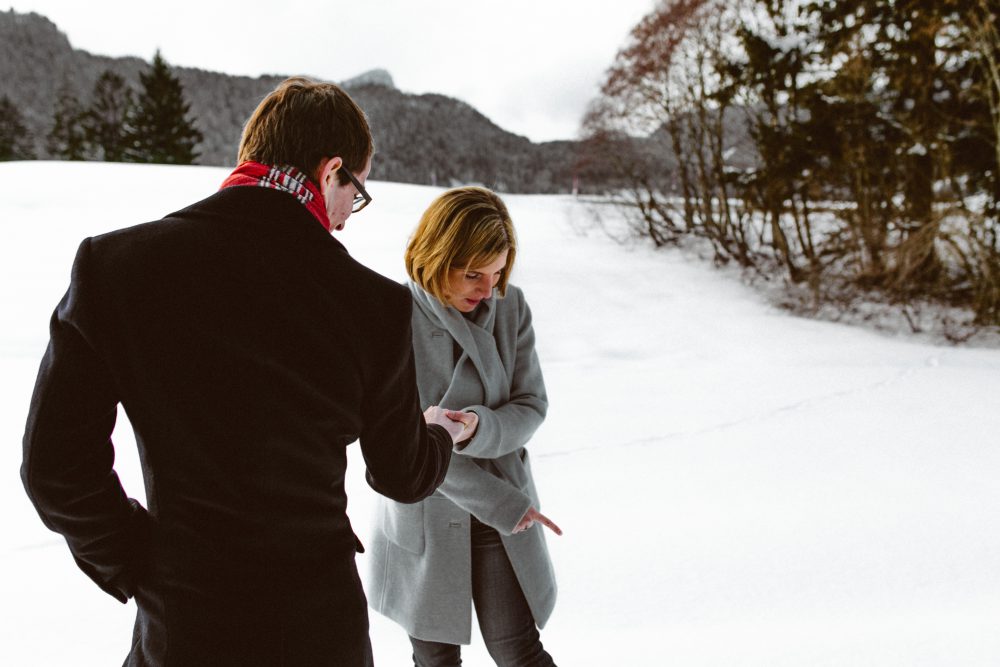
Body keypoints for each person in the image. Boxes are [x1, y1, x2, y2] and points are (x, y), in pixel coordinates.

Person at [20, 76, 465, 667]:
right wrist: (440, 432)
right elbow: (403, 476)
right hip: (320, 630)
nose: (344, 219)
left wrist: (140, 564)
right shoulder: (372, 304)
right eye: (353, 193)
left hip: (186, 627)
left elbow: (55, 469)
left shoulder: (116, 268)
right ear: (331, 170)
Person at [367, 187, 562, 667]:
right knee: (436, 660)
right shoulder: (390, 316)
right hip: (429, 516)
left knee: (518, 652)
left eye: (497, 273)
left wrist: (476, 427)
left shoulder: (510, 307)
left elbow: (531, 405)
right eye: (473, 273)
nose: (487, 289)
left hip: (503, 513)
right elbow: (401, 446)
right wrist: (500, 502)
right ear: (436, 254)